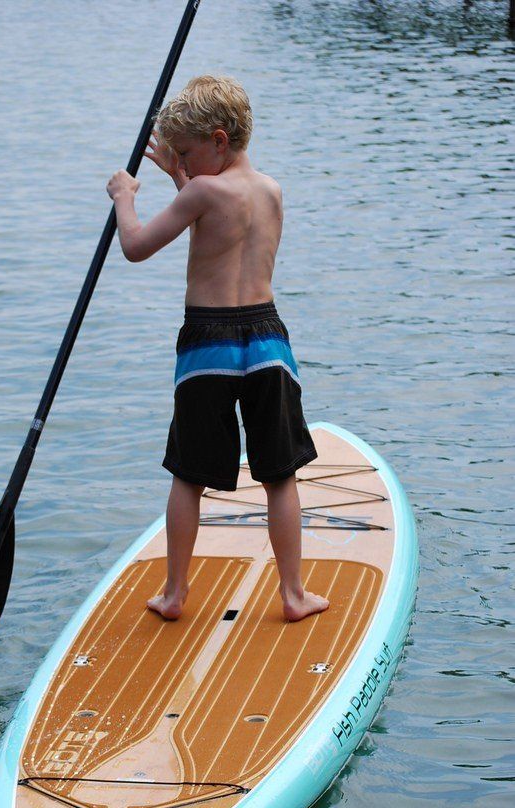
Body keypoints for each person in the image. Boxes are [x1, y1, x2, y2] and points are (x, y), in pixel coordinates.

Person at [106, 75, 329, 623]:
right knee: (280, 475)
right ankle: (294, 594)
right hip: (268, 339)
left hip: (209, 343)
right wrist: (184, 177)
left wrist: (124, 198)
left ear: (220, 140)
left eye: (186, 152)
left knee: (189, 473)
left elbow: (135, 246)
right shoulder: (271, 190)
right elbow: (225, 225)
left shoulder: (203, 193)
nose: (182, 162)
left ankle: (175, 593)